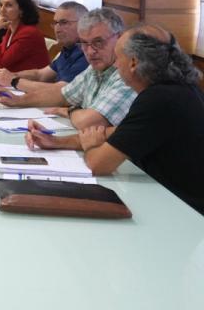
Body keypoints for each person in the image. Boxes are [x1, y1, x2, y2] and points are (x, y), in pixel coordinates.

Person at [25, 25, 204, 215]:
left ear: (133, 63)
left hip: (184, 212)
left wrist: (91, 147)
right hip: (168, 200)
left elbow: (98, 164)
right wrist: (55, 142)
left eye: (118, 58)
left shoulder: (158, 99)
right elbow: (114, 135)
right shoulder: (179, 89)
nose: (116, 65)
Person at [0, 8, 135, 129]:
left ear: (120, 38)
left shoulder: (128, 75)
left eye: (98, 42)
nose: (90, 52)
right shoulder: (94, 69)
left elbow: (91, 121)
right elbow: (62, 94)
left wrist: (71, 110)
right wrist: (18, 100)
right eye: (84, 43)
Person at [0, 1, 88, 92]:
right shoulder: (68, 49)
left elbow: (61, 90)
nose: (57, 29)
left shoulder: (87, 53)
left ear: (83, 24)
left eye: (64, 23)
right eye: (55, 23)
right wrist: (11, 75)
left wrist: (14, 80)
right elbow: (40, 75)